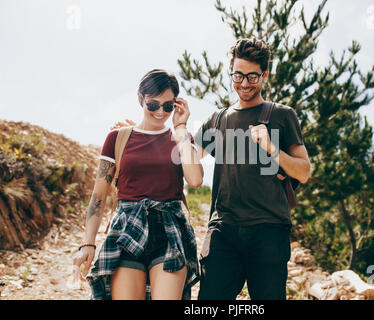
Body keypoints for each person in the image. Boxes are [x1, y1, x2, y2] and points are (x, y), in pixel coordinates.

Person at [193, 37, 311, 300]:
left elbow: (303, 171)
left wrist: (272, 148)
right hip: (223, 231)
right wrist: (155, 131)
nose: (244, 83)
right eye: (238, 75)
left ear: (265, 74)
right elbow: (188, 158)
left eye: (252, 77)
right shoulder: (217, 119)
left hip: (269, 232)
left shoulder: (282, 115)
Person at [72, 69, 203, 300]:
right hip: (127, 230)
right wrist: (88, 244)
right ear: (140, 99)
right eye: (153, 105)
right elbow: (99, 196)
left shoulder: (182, 139)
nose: (161, 112)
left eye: (168, 106)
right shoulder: (117, 138)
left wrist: (181, 128)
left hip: (170, 230)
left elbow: (194, 179)